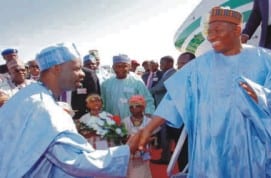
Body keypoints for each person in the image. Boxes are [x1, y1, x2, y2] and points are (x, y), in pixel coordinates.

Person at [138, 7, 271, 177]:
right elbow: (172, 100)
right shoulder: (199, 66)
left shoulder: (270, 60)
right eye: (209, 31)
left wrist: (260, 95)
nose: (211, 36)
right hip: (209, 154)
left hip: (247, 152)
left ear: (237, 30)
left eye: (218, 30)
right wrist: (147, 130)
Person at [0, 42, 139, 177]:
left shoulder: (31, 95)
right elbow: (74, 161)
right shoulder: (46, 109)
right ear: (56, 68)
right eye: (76, 68)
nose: (82, 74)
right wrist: (126, 151)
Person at [101, 54, 155, 119]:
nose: (121, 69)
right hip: (111, 122)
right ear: (113, 67)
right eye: (117, 66)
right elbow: (101, 103)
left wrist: (148, 115)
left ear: (129, 67)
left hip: (133, 122)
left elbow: (147, 100)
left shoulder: (137, 82)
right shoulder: (106, 84)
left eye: (124, 66)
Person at [123, 95, 159, 178]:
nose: (134, 108)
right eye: (131, 107)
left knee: (143, 171)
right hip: (130, 153)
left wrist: (146, 141)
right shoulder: (125, 121)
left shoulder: (149, 121)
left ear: (143, 108)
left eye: (137, 106)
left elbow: (154, 139)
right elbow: (123, 138)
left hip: (144, 153)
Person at [149, 55, 176, 165]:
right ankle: (167, 155)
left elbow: (160, 87)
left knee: (165, 134)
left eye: (162, 63)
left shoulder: (171, 73)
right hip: (165, 107)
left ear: (170, 63)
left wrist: (146, 92)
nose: (160, 65)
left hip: (167, 109)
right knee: (166, 134)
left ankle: (166, 158)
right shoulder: (167, 73)